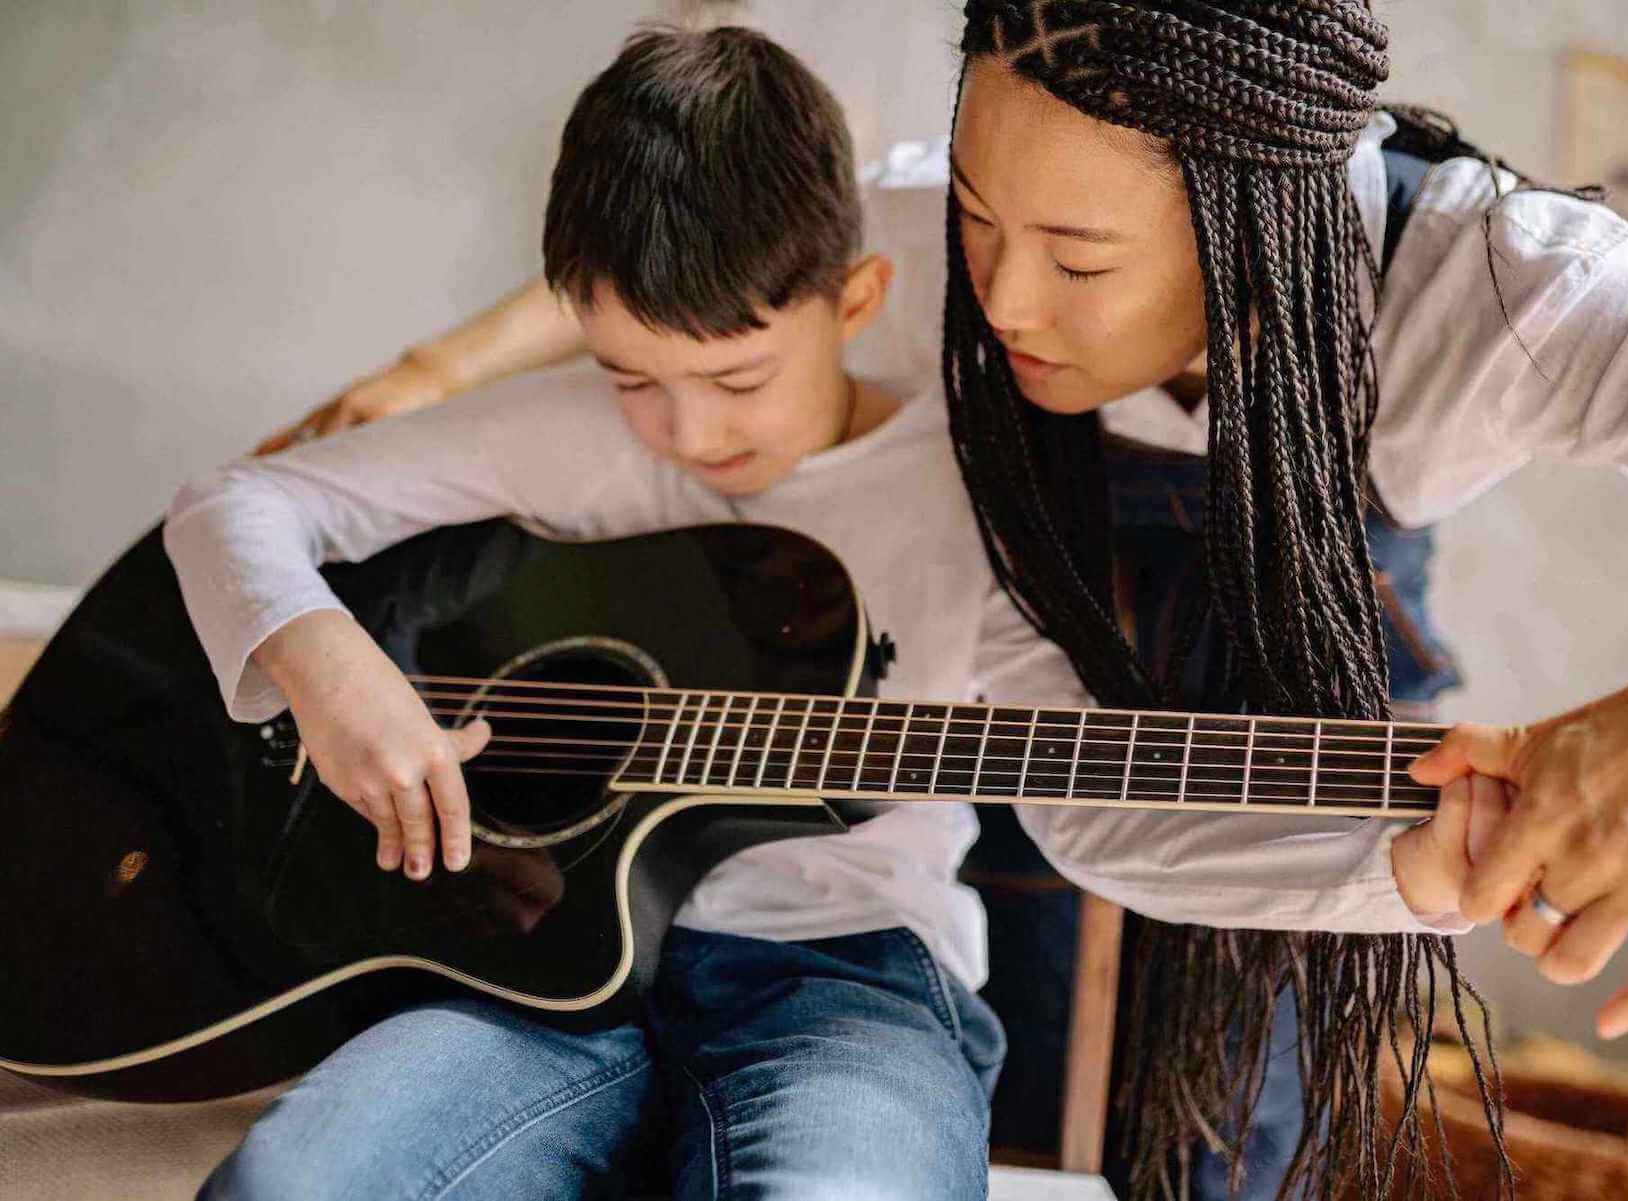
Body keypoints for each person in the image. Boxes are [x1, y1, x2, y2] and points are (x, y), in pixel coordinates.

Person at [170, 23, 1483, 1201]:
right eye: (631, 374)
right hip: (525, 980)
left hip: (845, 983)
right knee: (294, 1178)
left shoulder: (984, 495)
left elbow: (1103, 813)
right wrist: (326, 659)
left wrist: (1388, 872)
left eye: (738, 378)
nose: (686, 431)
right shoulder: (572, 439)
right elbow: (234, 506)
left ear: (854, 301)